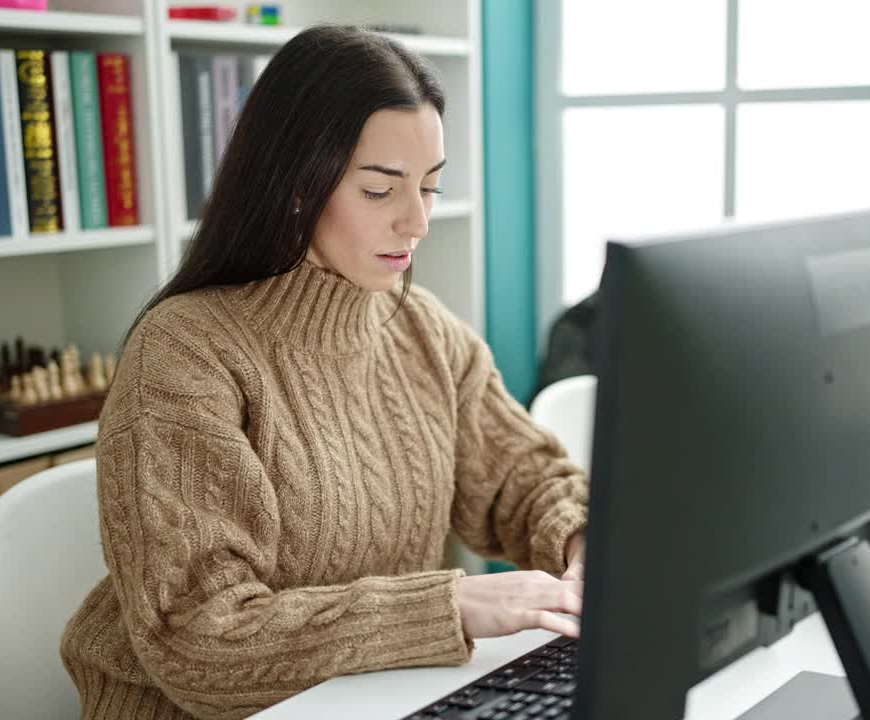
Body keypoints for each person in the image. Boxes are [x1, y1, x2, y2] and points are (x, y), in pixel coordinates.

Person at [59, 24, 590, 720]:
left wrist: (583, 542)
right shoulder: (185, 354)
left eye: (430, 187)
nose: (417, 221)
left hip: (372, 703)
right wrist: (448, 605)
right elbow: (199, 641)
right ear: (294, 184)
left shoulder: (421, 328)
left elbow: (525, 481)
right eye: (380, 191)